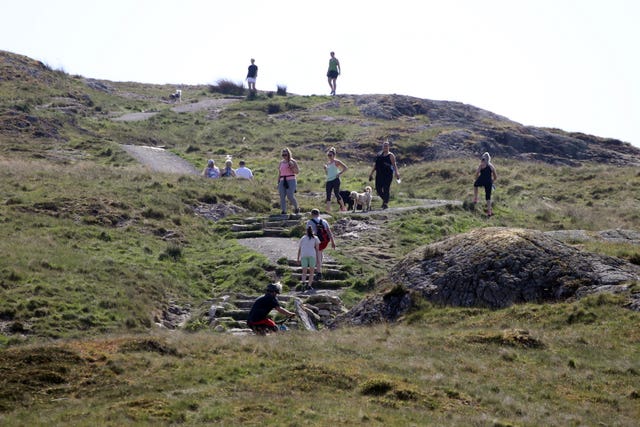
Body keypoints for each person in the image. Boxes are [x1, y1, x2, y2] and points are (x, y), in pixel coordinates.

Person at [368, 140, 400, 209]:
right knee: (378, 189)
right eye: (384, 146)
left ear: (389, 147)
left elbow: (394, 165)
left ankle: (385, 203)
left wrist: (397, 173)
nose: (385, 147)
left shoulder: (391, 155)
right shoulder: (379, 155)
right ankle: (386, 200)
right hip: (379, 174)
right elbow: (375, 165)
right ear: (382, 147)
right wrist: (371, 173)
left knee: (386, 189)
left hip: (388, 175)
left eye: (387, 146)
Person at [306, 208, 335, 280]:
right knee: (320, 253)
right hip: (324, 241)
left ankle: (319, 273)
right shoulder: (324, 221)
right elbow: (329, 232)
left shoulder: (309, 222)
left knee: (317, 256)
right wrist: (333, 242)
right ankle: (319, 268)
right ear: (319, 214)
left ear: (312, 214)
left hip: (316, 241)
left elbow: (307, 233)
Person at [473, 152, 498, 217]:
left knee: (475, 185)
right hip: (488, 181)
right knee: (488, 197)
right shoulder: (491, 166)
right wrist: (492, 181)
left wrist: (476, 179)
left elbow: (477, 173)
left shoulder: (481, 165)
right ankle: (489, 212)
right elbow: (495, 176)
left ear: (483, 158)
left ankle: (475, 199)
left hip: (481, 179)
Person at [324, 146, 348, 212]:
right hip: (329, 180)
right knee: (328, 195)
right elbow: (327, 173)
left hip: (335, 180)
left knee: (336, 193)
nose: (329, 156)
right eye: (328, 155)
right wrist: (325, 169)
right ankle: (328, 209)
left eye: (330, 155)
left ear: (334, 155)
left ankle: (343, 207)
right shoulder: (328, 163)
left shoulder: (336, 162)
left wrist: (339, 173)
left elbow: (345, 168)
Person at [297, 226, 320, 290]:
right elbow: (317, 250)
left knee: (304, 272)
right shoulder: (315, 238)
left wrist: (298, 258)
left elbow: (299, 249)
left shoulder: (303, 238)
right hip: (312, 255)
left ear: (306, 231)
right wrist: (318, 259)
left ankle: (303, 284)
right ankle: (309, 286)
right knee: (311, 272)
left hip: (303, 255)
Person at [278, 147, 300, 215]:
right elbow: (279, 173)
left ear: (288, 154)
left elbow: (297, 172)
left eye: (285, 155)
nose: (284, 156)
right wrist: (278, 182)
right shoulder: (281, 162)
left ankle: (296, 207)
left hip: (291, 180)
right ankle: (283, 211)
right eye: (283, 155)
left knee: (290, 195)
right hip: (282, 180)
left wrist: (292, 166)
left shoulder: (293, 161)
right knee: (282, 196)